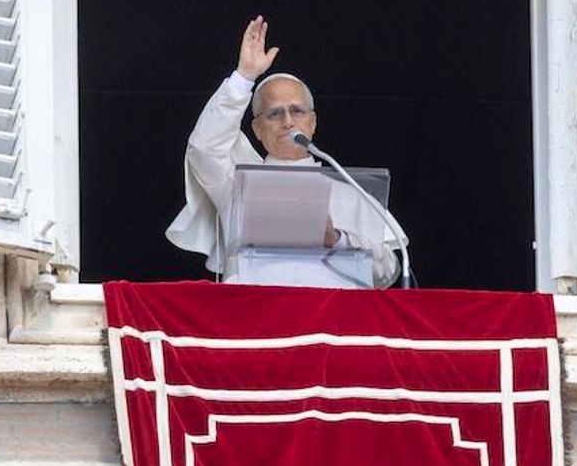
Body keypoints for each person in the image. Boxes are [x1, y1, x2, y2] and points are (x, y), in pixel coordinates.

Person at [165, 16, 405, 287]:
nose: (288, 121)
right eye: (275, 113)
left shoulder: (351, 191)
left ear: (312, 123)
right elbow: (204, 147)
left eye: (297, 111)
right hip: (253, 319)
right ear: (257, 129)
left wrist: (336, 239)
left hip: (332, 322)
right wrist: (244, 78)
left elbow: (386, 274)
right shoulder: (236, 188)